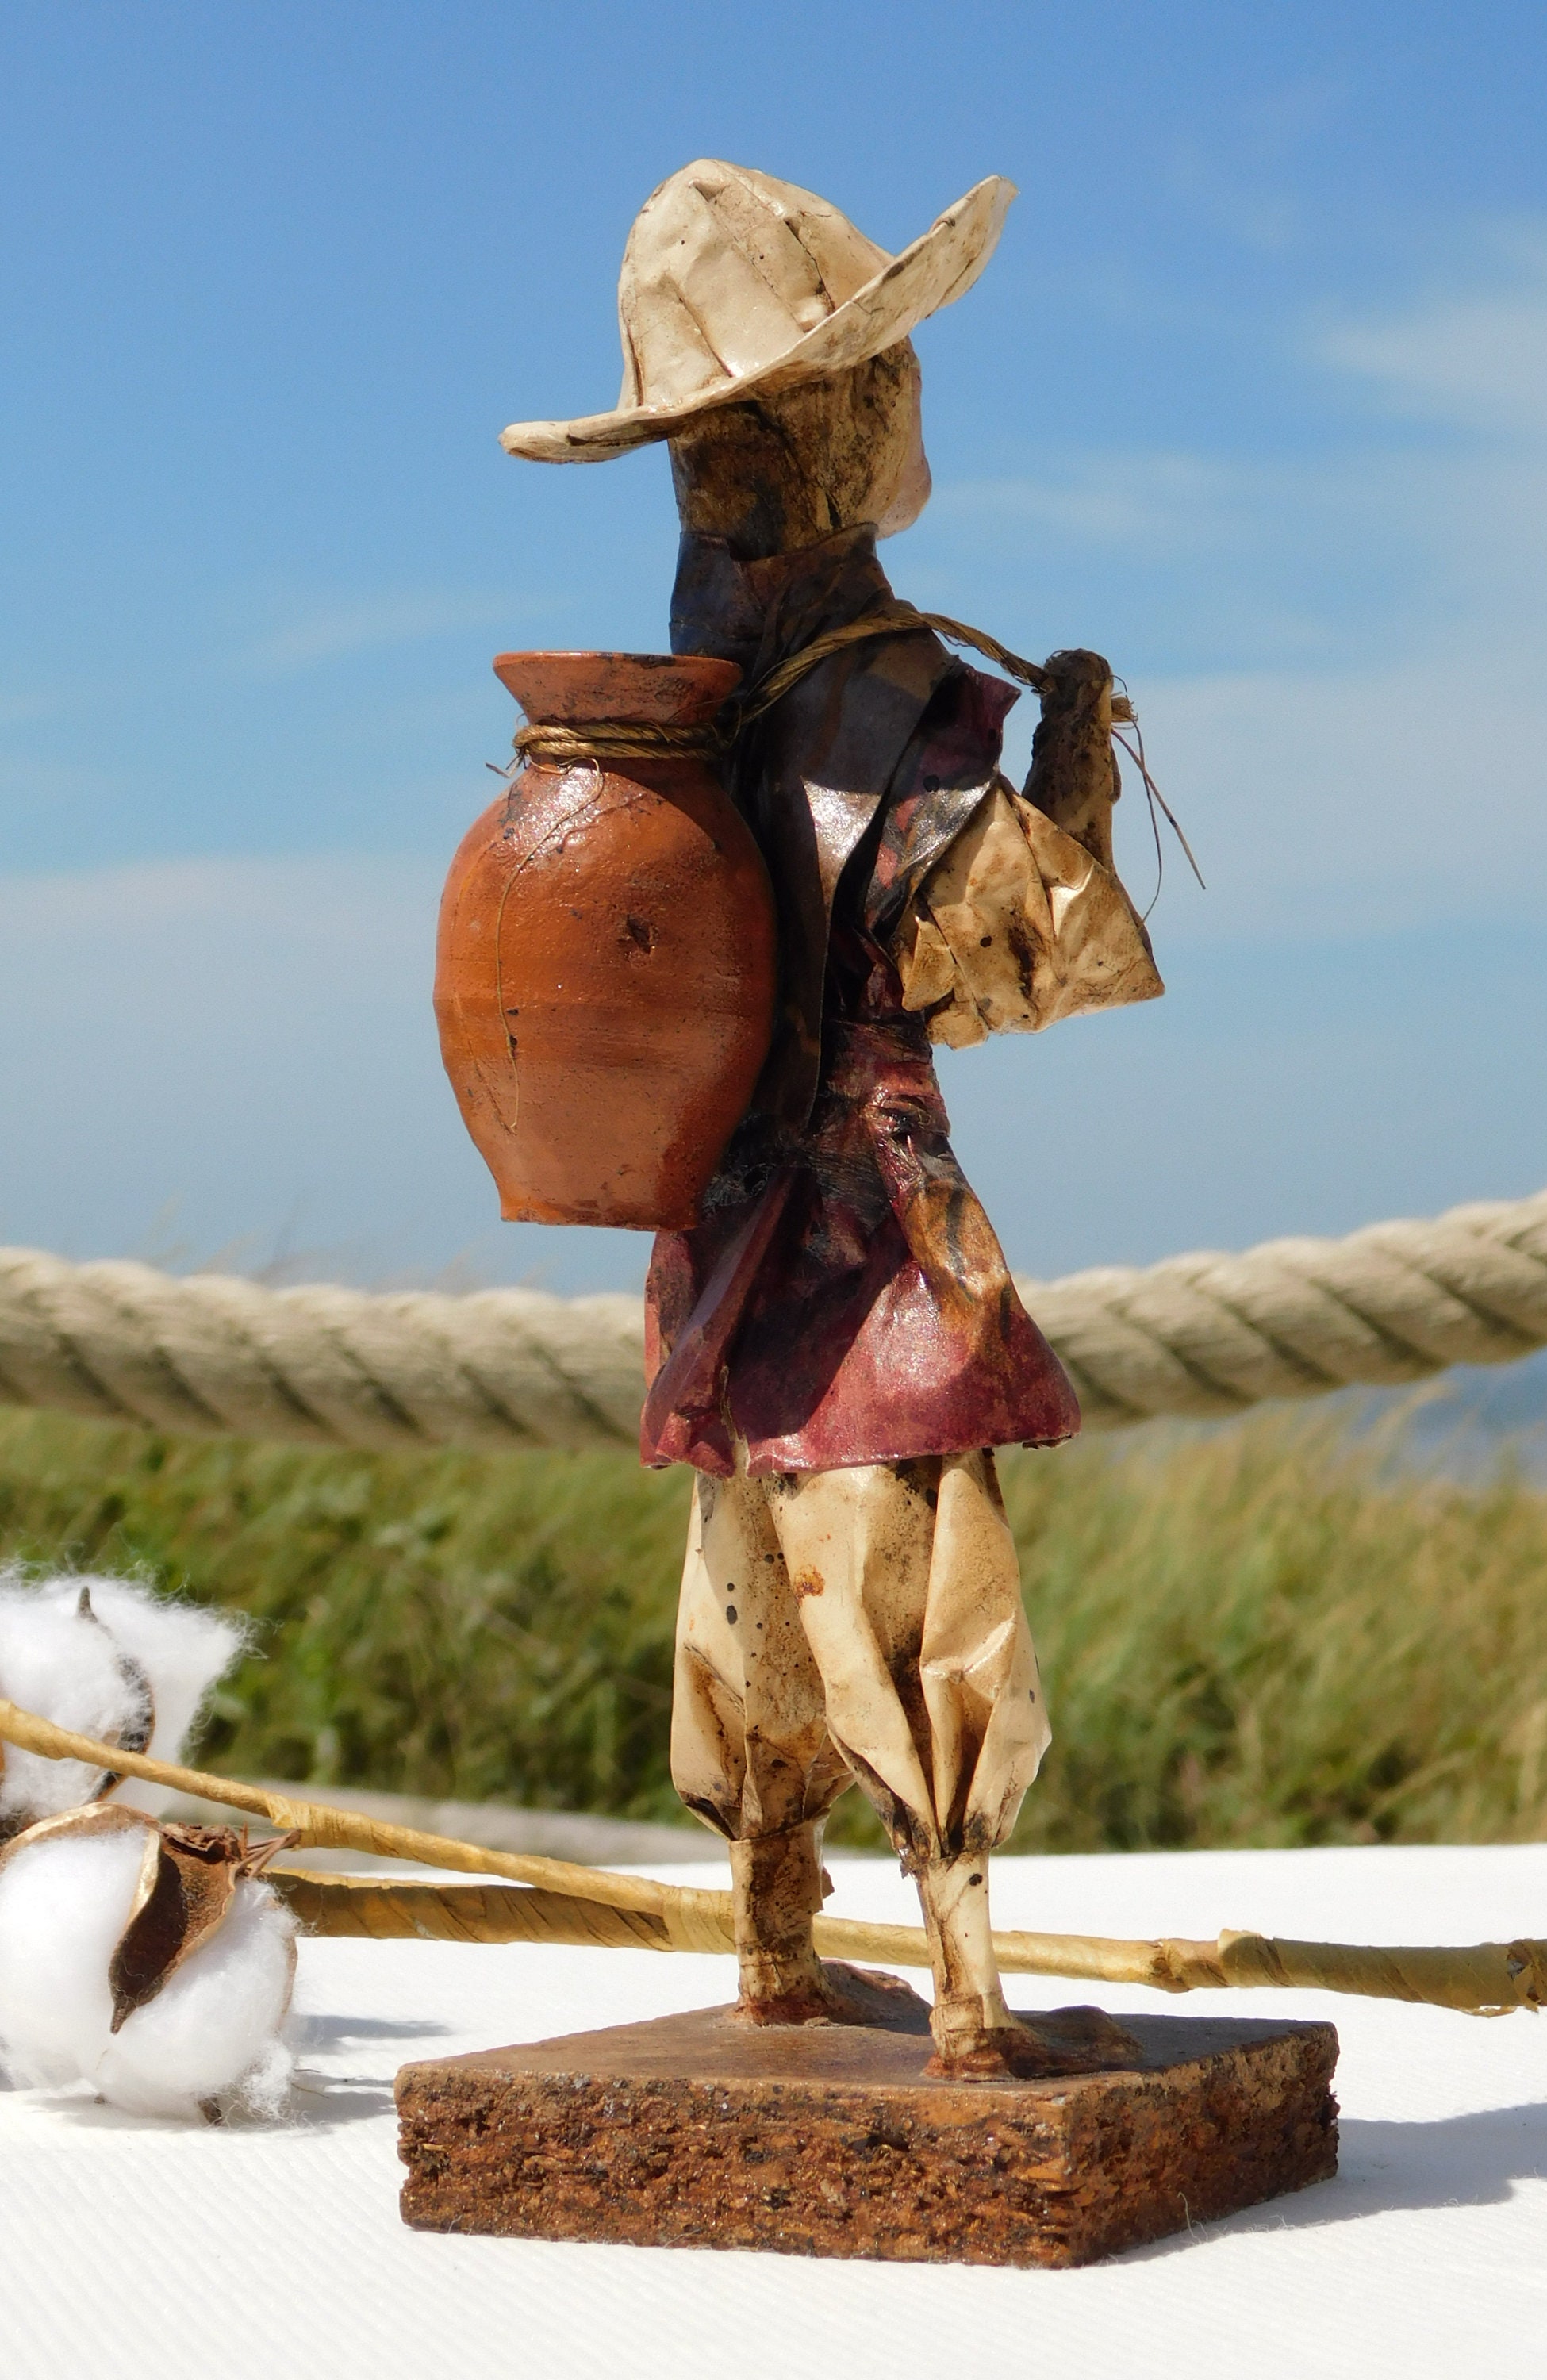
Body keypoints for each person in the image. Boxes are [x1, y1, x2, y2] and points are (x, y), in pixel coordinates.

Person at [502, 160, 1161, 2075]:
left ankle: (777, 1962)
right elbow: (991, 959)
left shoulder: (684, 709)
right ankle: (962, 2005)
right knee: (919, 1602)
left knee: (751, 1605)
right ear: (842, 428)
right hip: (871, 1236)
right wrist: (1075, 774)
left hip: (719, 1235)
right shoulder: (889, 700)